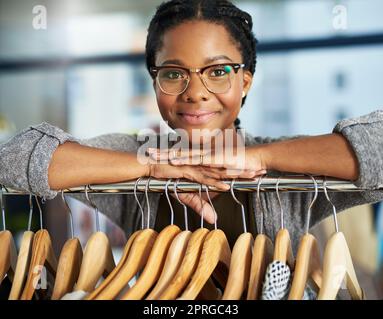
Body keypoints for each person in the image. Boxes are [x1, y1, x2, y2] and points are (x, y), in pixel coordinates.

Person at [1, 0, 383, 251]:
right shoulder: (133, 153)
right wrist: (150, 166)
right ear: (154, 81)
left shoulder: (287, 162)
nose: (195, 92)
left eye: (218, 71)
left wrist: (256, 156)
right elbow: (12, 161)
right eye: (173, 73)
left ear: (245, 80)